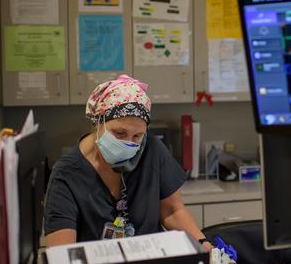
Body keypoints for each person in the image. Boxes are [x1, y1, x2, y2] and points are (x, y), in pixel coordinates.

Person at [44, 75, 215, 250]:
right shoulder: (66, 173)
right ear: (99, 121)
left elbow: (172, 210)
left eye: (137, 136)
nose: (128, 142)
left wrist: (205, 246)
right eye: (119, 133)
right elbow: (61, 252)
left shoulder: (152, 150)